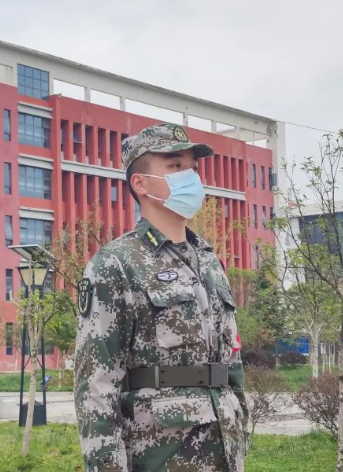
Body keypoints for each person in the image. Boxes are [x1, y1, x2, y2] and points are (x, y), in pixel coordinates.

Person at [74, 123, 248, 472]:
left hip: (224, 451)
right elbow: (96, 385)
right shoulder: (116, 263)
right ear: (140, 183)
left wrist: (240, 421)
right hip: (160, 454)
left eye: (192, 168)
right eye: (175, 166)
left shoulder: (209, 261)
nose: (190, 177)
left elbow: (232, 362)